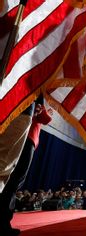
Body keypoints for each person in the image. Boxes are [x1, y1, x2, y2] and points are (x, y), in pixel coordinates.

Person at [0, 99, 52, 236]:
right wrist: (47, 113)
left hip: (26, 134)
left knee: (11, 179)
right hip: (27, 134)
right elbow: (44, 118)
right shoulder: (37, 91)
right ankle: (3, 223)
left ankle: (4, 221)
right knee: (13, 180)